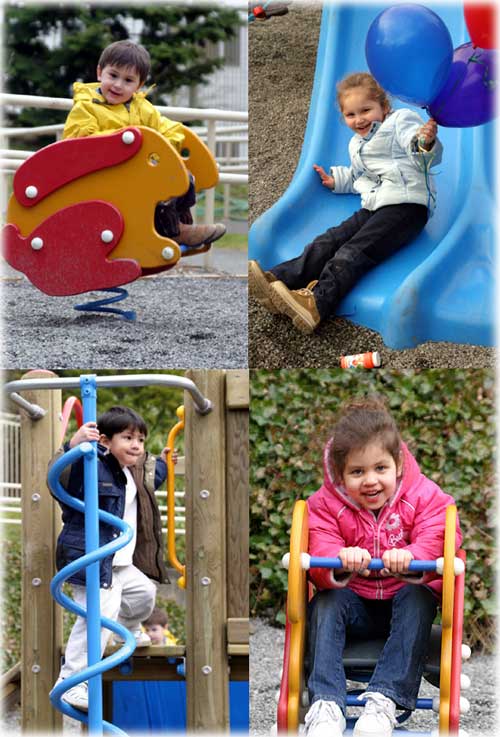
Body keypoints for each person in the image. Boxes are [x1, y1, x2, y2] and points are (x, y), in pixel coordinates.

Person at [303, 396, 462, 737]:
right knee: (326, 601)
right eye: (357, 472)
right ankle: (326, 703)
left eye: (380, 468)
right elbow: (318, 542)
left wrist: (413, 553)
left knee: (418, 597)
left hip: (401, 609)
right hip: (355, 604)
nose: (370, 481)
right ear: (340, 475)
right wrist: (341, 556)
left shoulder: (423, 495)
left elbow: (439, 531)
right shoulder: (325, 505)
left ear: (398, 464)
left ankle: (384, 700)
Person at [249, 72, 442, 333]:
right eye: (351, 114)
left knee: (353, 251)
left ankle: (317, 304)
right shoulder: (356, 143)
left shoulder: (400, 122)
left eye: (366, 110)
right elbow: (359, 176)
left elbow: (418, 152)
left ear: (384, 107)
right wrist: (336, 180)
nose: (359, 119)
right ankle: (281, 280)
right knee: (329, 240)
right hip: (375, 205)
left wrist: (425, 142)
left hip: (407, 206)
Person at [49, 405, 176, 712]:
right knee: (98, 615)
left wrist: (166, 464)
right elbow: (63, 478)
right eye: (128, 438)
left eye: (141, 440)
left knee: (144, 594)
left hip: (121, 564)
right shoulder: (93, 465)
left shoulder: (132, 471)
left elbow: (150, 479)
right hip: (93, 558)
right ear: (105, 441)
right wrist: (75, 445)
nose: (136, 445)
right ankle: (73, 680)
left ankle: (128, 628)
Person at [63, 40, 226, 249]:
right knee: (158, 182)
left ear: (139, 86)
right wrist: (128, 141)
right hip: (100, 178)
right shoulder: (86, 107)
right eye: (113, 75)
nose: (118, 85)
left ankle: (177, 224)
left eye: (128, 80)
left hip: (134, 174)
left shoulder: (142, 108)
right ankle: (173, 231)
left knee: (183, 177)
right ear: (99, 72)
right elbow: (82, 140)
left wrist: (164, 149)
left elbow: (168, 129)